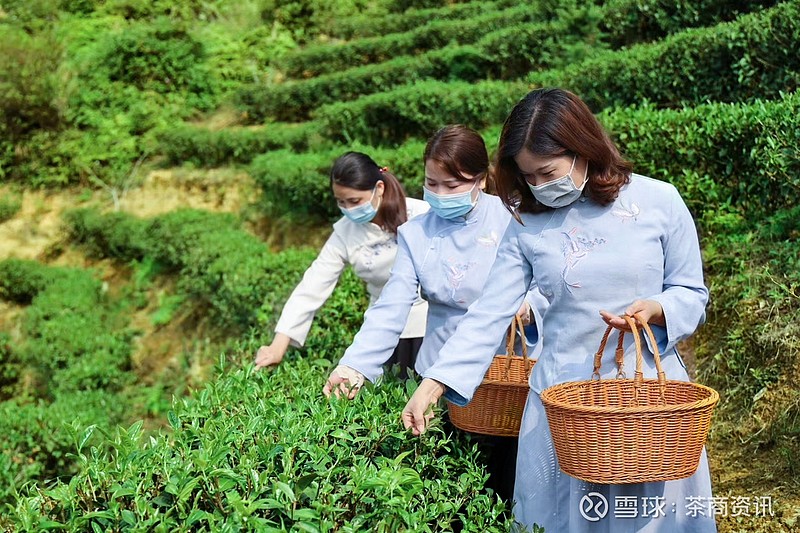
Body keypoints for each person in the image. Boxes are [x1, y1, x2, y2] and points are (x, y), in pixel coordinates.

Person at [402, 88, 716, 532]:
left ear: (583, 150)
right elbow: (491, 311)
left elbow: (691, 291)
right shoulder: (526, 221)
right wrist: (434, 385)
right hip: (561, 401)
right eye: (527, 177)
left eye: (546, 172)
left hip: (647, 405)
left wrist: (658, 308)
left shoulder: (659, 201)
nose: (537, 186)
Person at [322, 124, 542, 504]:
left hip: (512, 365)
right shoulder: (416, 233)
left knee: (513, 480)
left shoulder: (514, 217)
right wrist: (353, 366)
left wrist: (530, 302)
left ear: (481, 180)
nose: (440, 195)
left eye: (452, 185)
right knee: (452, 482)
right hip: (440, 369)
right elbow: (392, 307)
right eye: (431, 183)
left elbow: (548, 277)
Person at [254, 152, 429, 377]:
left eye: (354, 201)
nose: (348, 208)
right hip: (384, 331)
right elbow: (314, 284)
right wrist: (279, 343)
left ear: (379, 188)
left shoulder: (421, 214)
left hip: (430, 324)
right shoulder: (345, 232)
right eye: (341, 202)